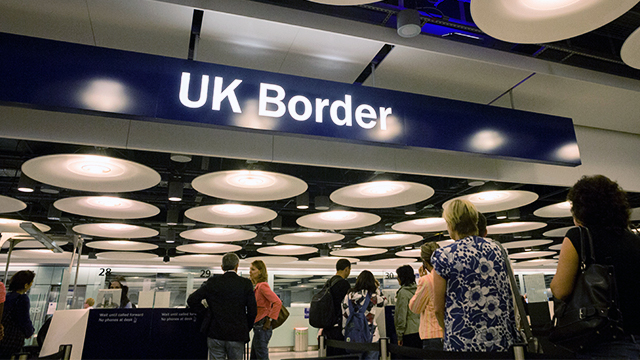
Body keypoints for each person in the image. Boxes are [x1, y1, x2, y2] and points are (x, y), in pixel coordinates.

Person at [550, 175, 640, 359]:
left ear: (580, 208)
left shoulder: (579, 236)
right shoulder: (634, 240)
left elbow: (560, 290)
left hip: (603, 342)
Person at [432, 199, 519, 352]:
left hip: (462, 343)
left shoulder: (443, 256)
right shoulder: (499, 249)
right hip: (500, 341)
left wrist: (449, 331)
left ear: (451, 224)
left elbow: (438, 308)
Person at [187, 253, 257, 360]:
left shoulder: (212, 282)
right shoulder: (245, 283)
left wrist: (206, 313)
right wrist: (246, 327)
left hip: (215, 332)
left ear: (222, 267)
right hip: (237, 334)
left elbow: (192, 300)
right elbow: (252, 311)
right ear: (237, 266)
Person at [341, 270, 387, 360]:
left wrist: (344, 330)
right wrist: (377, 288)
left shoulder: (348, 296)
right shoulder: (373, 296)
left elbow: (345, 314)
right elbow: (384, 301)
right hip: (371, 336)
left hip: (353, 336)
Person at [409, 242, 444, 351]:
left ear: (424, 261)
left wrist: (422, 280)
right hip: (450, 333)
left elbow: (415, 307)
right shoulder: (448, 275)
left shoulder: (426, 281)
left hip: (433, 335)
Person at [249, 260, 282, 360]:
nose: (250, 272)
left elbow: (277, 302)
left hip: (262, 326)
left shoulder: (263, 286)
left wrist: (270, 319)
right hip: (258, 326)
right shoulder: (258, 287)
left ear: (260, 271)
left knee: (261, 356)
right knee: (255, 355)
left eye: (253, 269)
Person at [0, 270, 36, 359]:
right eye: (31, 282)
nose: (31, 285)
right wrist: (30, 332)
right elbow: (24, 319)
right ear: (26, 285)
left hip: (2, 335)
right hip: (12, 339)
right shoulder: (22, 298)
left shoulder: (7, 296)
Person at [322, 258, 352, 357]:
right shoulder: (344, 284)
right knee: (340, 354)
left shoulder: (329, 282)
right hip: (338, 326)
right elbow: (347, 305)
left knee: (330, 354)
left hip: (328, 325)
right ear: (347, 269)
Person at [394, 265, 421, 350]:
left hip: (409, 333)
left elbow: (401, 316)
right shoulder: (419, 290)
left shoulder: (403, 293)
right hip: (421, 331)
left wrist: (399, 336)